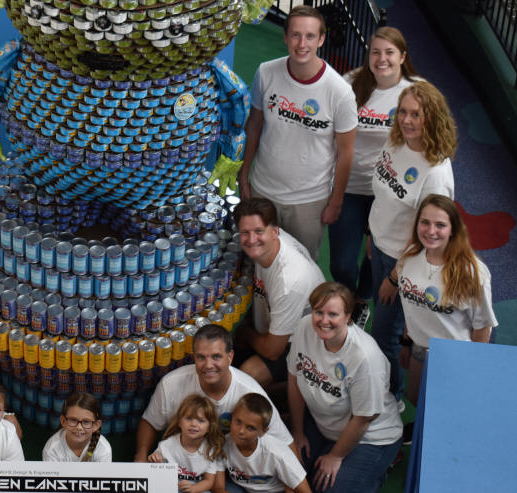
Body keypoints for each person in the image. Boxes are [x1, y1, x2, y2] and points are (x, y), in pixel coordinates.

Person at [237, 5, 358, 259]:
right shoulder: (266, 72)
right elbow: (255, 124)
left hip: (308, 202)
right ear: (285, 37)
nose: (302, 43)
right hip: (263, 189)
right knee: (256, 260)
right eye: (295, 35)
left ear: (321, 39)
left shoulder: (340, 92)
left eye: (310, 36)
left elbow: (346, 154)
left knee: (300, 267)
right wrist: (244, 172)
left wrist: (336, 202)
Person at [367, 80, 455, 400]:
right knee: (380, 324)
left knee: (384, 336)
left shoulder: (435, 173)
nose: (406, 120)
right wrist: (371, 235)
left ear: (431, 118)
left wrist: (395, 275)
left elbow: (430, 238)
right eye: (403, 112)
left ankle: (390, 398)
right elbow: (383, 196)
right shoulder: (396, 142)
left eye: (416, 114)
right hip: (379, 247)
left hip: (400, 264)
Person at [328, 27, 419, 323]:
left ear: (402, 57)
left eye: (389, 53)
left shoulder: (414, 91)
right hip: (350, 186)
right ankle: (346, 297)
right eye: (375, 52)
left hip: (390, 192)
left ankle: (362, 299)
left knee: (375, 257)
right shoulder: (351, 83)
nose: (382, 59)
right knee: (342, 262)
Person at [287, 283, 402, 493]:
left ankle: (377, 471)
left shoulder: (365, 358)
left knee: (325, 488)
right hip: (325, 423)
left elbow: (364, 418)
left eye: (333, 314)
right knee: (288, 471)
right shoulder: (305, 327)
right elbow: (294, 378)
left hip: (370, 437)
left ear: (348, 316)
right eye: (318, 312)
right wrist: (298, 431)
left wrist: (335, 456)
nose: (324, 321)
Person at [135, 324, 293, 462]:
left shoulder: (250, 391)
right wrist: (140, 457)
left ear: (230, 357)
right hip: (182, 466)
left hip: (229, 468)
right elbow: (150, 422)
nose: (208, 365)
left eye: (216, 357)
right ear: (194, 358)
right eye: (201, 357)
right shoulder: (171, 384)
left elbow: (286, 443)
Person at [394, 195, 496, 406]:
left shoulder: (473, 273)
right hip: (419, 349)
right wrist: (406, 343)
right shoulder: (408, 259)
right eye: (425, 222)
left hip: (455, 357)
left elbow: (483, 327)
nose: (431, 231)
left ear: (453, 230)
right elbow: (411, 309)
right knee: (416, 399)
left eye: (440, 225)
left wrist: (471, 367)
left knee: (445, 406)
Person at [231, 198, 325, 389]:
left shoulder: (289, 282)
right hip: (275, 322)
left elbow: (273, 350)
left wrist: (244, 334)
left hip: (305, 345)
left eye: (258, 231)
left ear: (275, 231)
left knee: (249, 374)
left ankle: (289, 395)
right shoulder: (268, 247)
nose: (251, 240)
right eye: (244, 233)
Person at [224, 393, 310, 493]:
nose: (241, 431)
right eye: (238, 422)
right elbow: (218, 486)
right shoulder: (223, 444)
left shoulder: (277, 453)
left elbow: (305, 490)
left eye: (250, 428)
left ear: (263, 432)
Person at [148, 394, 225, 493]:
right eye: (188, 418)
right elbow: (154, 469)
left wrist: (193, 489)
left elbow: (209, 481)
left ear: (209, 427)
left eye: (201, 420)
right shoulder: (166, 446)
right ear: (179, 422)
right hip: (172, 487)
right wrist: (155, 458)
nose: (193, 424)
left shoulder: (210, 449)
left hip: (198, 489)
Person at [42, 392, 112, 463]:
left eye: (86, 421)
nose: (79, 427)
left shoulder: (103, 449)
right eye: (73, 420)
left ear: (96, 425)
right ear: (63, 421)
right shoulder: (52, 450)